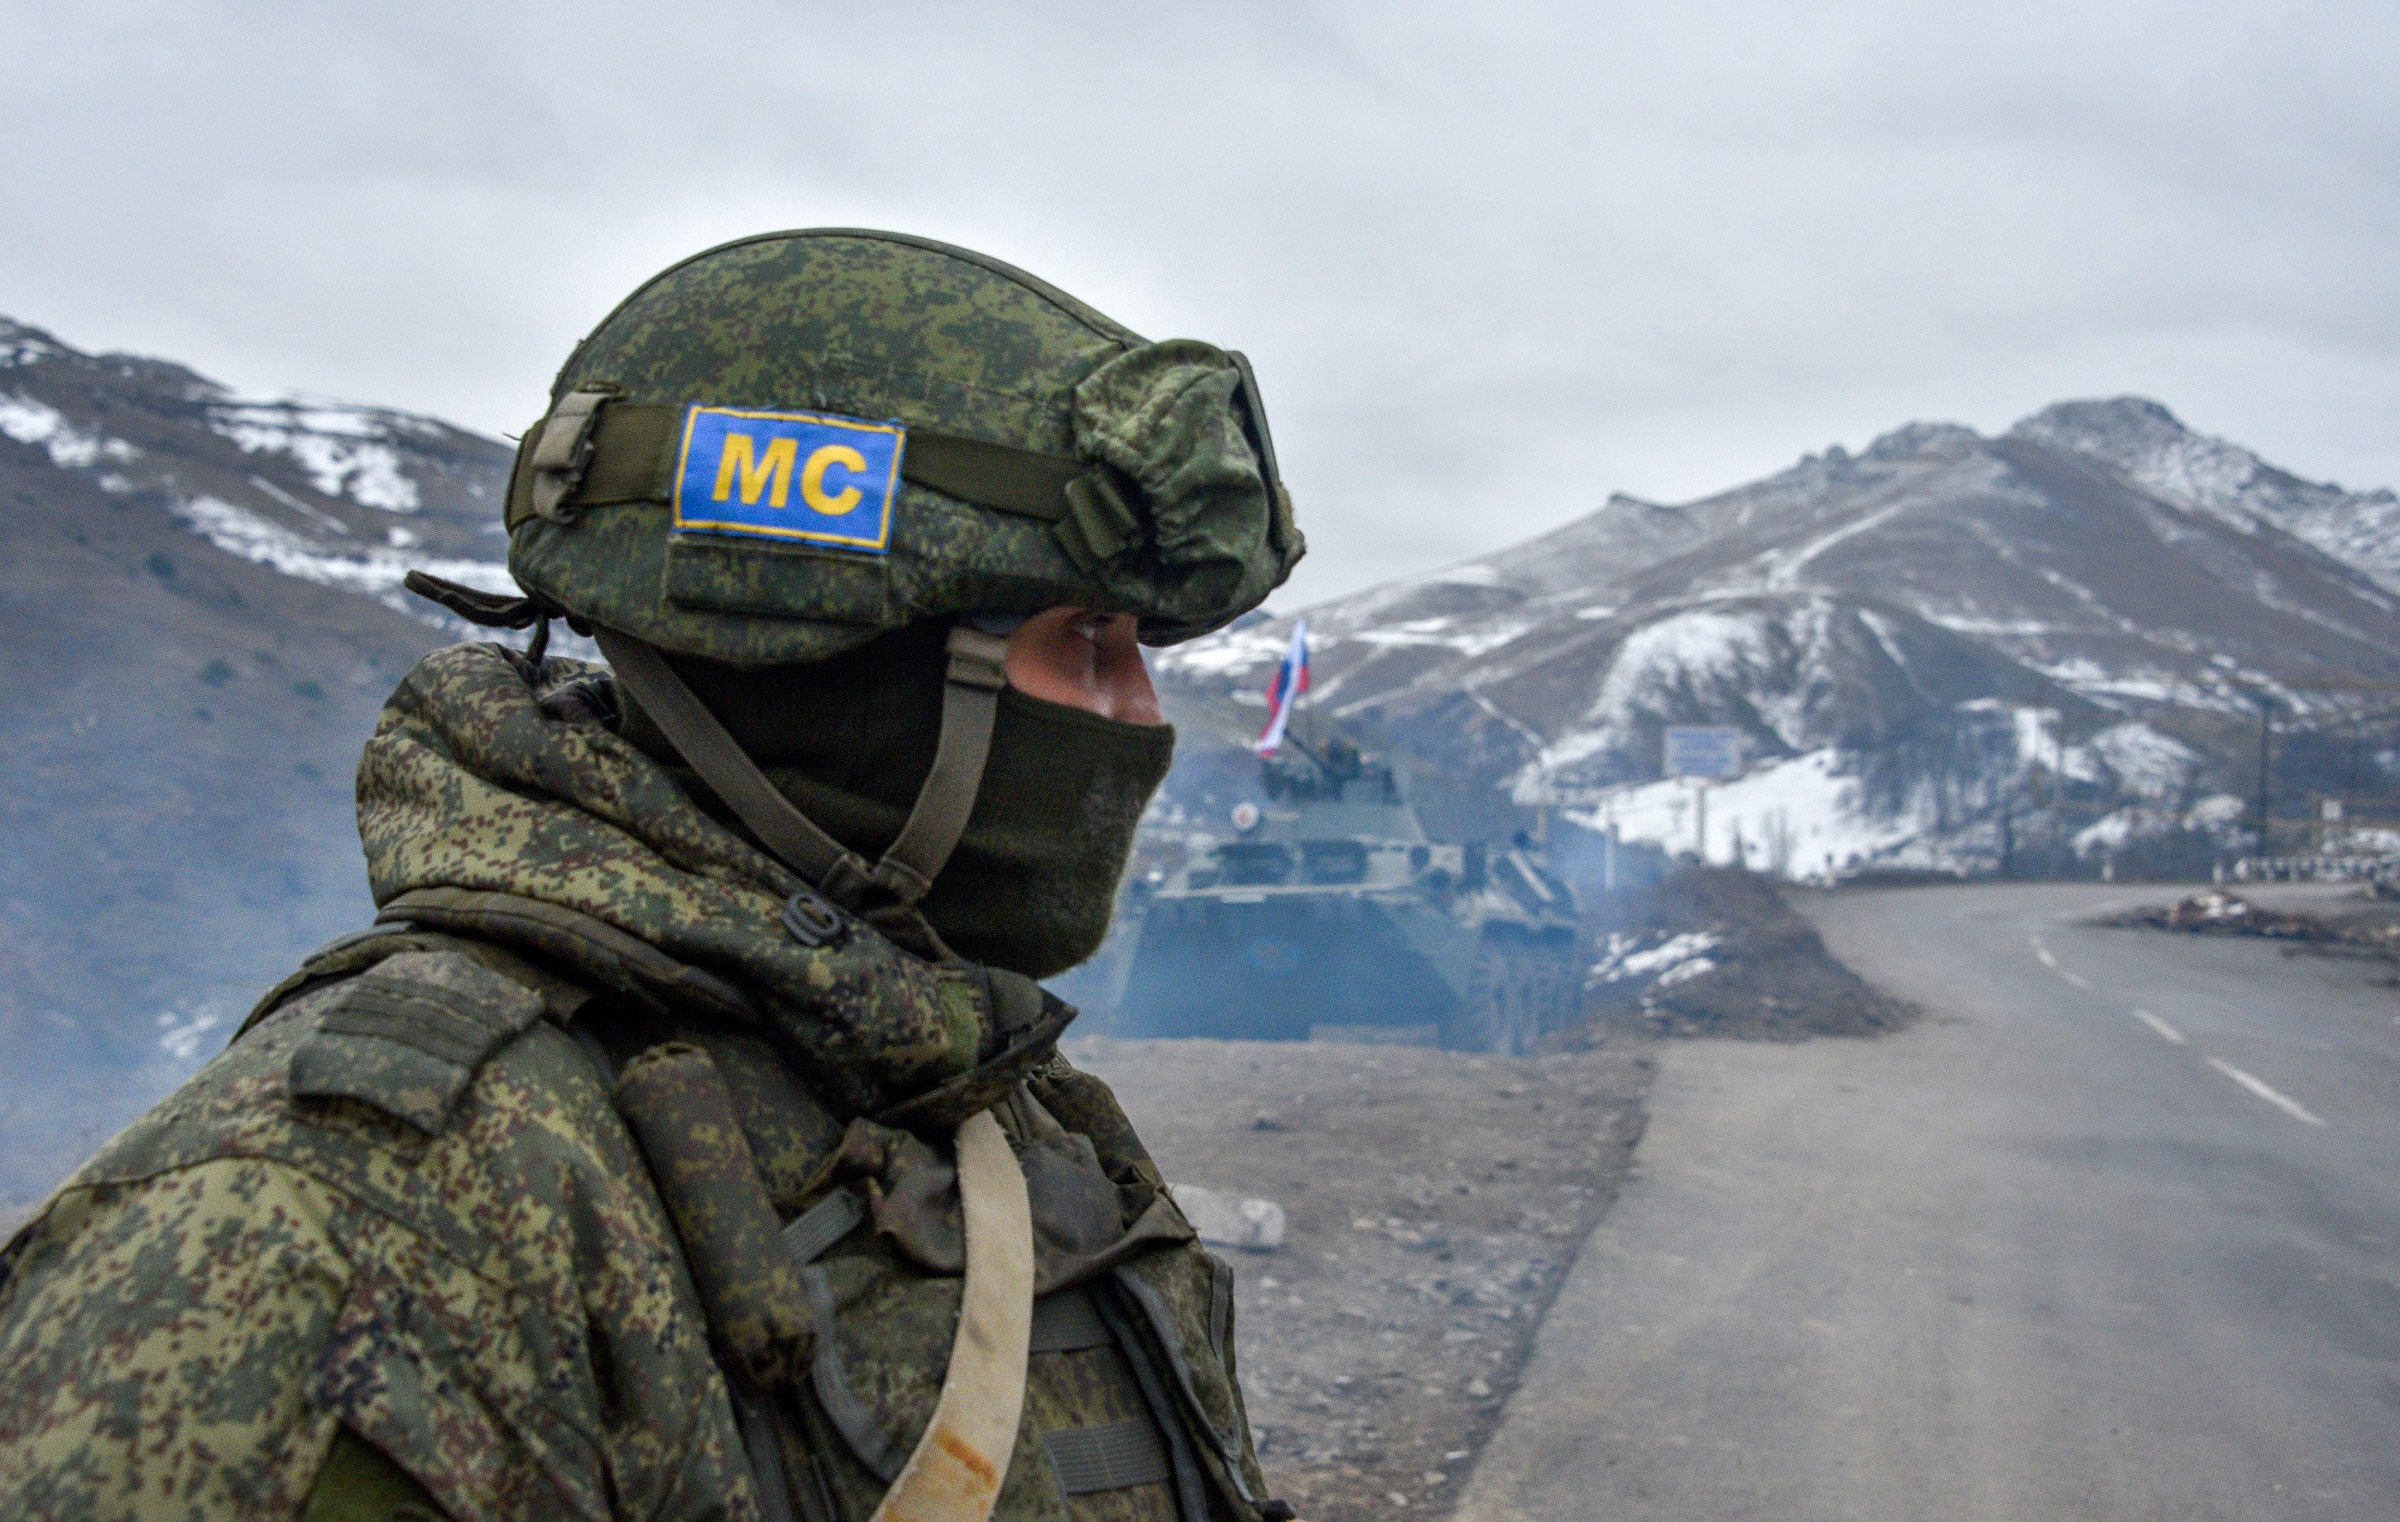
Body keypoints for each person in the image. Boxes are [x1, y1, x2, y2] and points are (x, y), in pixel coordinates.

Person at [0, 229, 1305, 1522]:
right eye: (1086, 638)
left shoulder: (980, 1099)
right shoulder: (344, 1214)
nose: (1138, 716)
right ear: (845, 664)